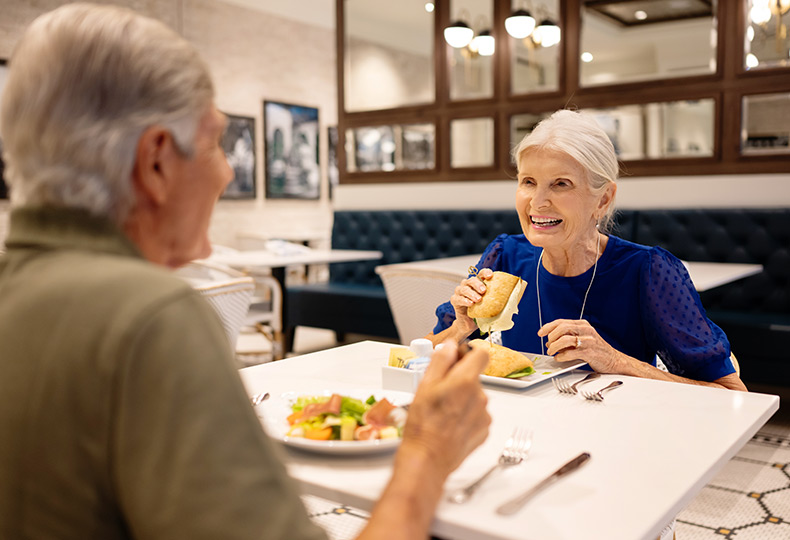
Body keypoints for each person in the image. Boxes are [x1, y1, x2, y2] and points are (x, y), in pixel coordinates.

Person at [0, 4, 491, 539]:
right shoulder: (149, 320)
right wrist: (426, 451)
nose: (229, 169)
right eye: (215, 142)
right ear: (157, 162)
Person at [428, 109, 747, 392]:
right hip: (524, 434)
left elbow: (732, 393)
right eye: (528, 181)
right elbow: (419, 359)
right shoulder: (505, 256)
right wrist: (460, 328)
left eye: (560, 184)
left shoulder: (649, 271)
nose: (537, 202)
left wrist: (613, 359)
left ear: (604, 199)